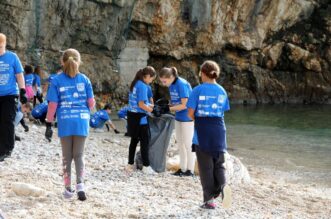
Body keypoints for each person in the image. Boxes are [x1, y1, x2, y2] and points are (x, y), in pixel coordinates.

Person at [45, 48, 95, 201]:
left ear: (62, 62)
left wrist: (48, 124)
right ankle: (80, 185)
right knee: (79, 155)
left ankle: (68, 189)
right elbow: (91, 103)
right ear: (78, 61)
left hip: (65, 121)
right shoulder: (85, 79)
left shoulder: (56, 80)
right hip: (81, 120)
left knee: (67, 157)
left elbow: (53, 105)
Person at [187, 60, 232, 209]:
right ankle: (224, 187)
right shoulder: (222, 90)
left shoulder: (197, 90)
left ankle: (209, 201)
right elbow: (221, 112)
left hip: (203, 131)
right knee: (219, 165)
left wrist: (200, 121)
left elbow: (190, 114)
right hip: (219, 130)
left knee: (206, 168)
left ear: (203, 73)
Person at [158, 67, 195, 177]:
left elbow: (185, 105)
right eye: (161, 81)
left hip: (188, 118)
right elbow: (176, 103)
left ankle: (190, 170)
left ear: (171, 77)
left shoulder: (181, 84)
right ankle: (183, 169)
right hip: (178, 117)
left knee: (188, 144)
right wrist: (166, 105)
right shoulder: (171, 85)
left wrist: (168, 109)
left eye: (164, 81)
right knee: (180, 144)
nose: (163, 84)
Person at [0, 33, 27, 162]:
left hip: (10, 94)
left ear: (5, 45)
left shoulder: (12, 57)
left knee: (7, 120)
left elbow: (19, 75)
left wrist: (23, 91)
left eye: (0, 47)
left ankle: (7, 149)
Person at [126, 66, 156, 174]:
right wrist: (151, 111)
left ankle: (130, 164)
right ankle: (146, 166)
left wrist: (151, 106)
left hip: (131, 115)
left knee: (134, 141)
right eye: (152, 79)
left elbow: (138, 102)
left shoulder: (135, 83)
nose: (151, 81)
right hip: (140, 117)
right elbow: (141, 104)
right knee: (145, 141)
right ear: (147, 76)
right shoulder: (143, 86)